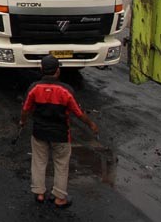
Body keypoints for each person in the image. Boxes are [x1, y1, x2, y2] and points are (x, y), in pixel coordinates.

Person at [19, 55, 99, 208]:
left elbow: (25, 110)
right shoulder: (65, 90)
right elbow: (78, 112)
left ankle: (39, 193)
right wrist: (91, 124)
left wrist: (22, 122)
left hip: (39, 133)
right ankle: (59, 197)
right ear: (58, 71)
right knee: (61, 164)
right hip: (61, 134)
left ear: (41, 69)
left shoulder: (34, 88)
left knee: (38, 162)